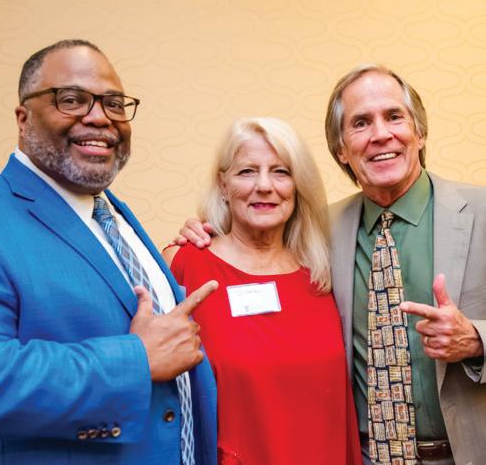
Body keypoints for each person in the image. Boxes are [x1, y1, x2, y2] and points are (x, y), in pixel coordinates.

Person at [177, 65, 486, 465]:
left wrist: (477, 340)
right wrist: (199, 233)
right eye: (361, 123)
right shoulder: (319, 233)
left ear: (420, 132)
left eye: (394, 116)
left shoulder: (479, 212)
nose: (380, 134)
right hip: (362, 455)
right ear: (341, 148)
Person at [0, 39, 218, 465]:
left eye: (114, 103)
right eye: (71, 100)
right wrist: (136, 359)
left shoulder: (111, 213)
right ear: (23, 118)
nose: (100, 117)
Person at [163, 117, 362, 465]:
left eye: (281, 172)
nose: (265, 186)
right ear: (223, 185)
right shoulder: (185, 265)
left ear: (298, 186)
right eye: (247, 172)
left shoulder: (325, 268)